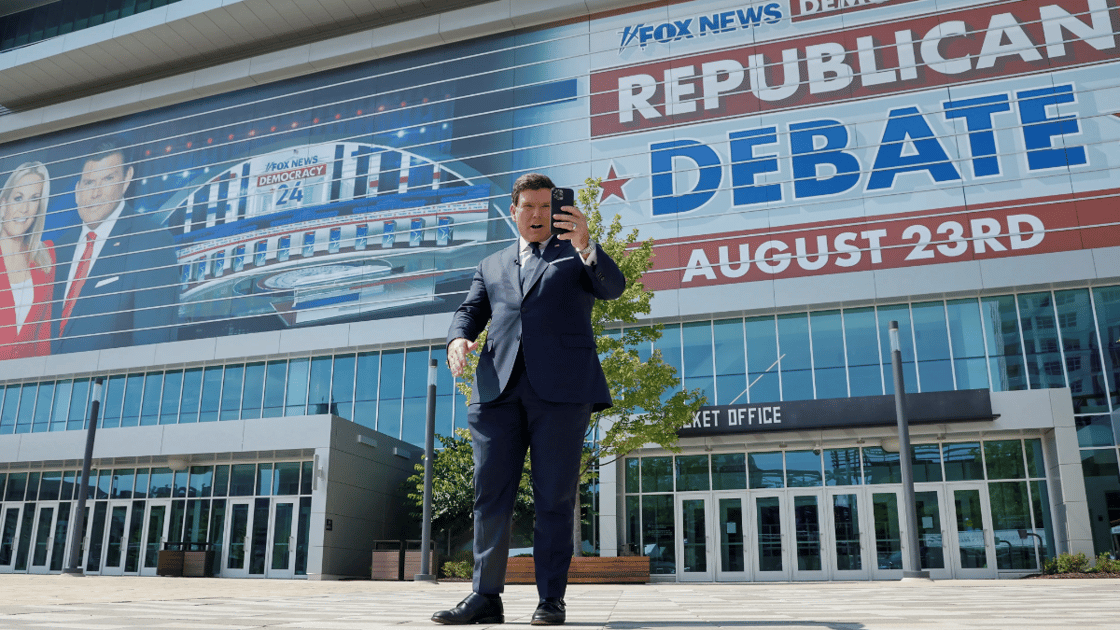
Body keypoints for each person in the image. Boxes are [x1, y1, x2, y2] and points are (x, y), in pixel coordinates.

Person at [433, 173, 626, 626]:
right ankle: (485, 597)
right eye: (528, 207)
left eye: (546, 206)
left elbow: (613, 287)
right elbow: (470, 311)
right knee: (490, 496)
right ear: (514, 210)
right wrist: (457, 339)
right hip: (496, 392)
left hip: (562, 393)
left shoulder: (575, 255)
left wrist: (585, 243)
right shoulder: (492, 263)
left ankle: (551, 599)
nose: (538, 215)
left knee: (553, 499)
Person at [51, 139, 180, 354]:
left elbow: (153, 346)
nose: (95, 193)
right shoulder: (57, 249)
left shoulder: (151, 242)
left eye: (107, 180)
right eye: (89, 182)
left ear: (126, 179)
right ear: (77, 189)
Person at [0, 161, 56, 359]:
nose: (24, 208)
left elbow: (43, 337)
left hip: (26, 385)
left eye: (34, 199)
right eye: (18, 197)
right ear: (4, 204)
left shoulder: (46, 257)